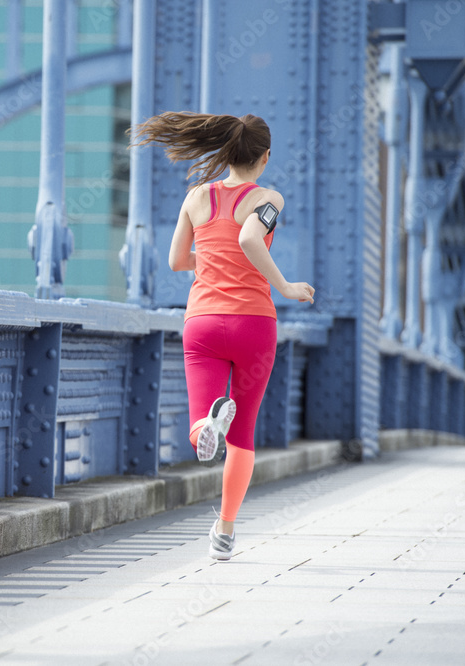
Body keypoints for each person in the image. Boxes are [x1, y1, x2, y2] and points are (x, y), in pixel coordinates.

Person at [132, 112, 314, 561]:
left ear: (227, 152)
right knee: (244, 436)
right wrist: (285, 286)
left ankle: (207, 424)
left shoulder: (197, 196)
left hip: (203, 325)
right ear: (265, 157)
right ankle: (225, 532)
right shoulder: (269, 197)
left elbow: (177, 260)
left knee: (202, 426)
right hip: (253, 325)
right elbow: (252, 239)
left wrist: (210, 260)